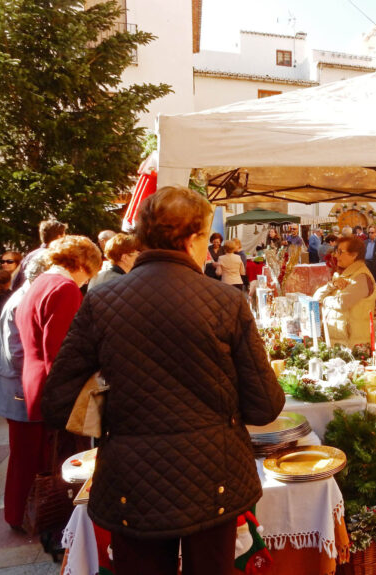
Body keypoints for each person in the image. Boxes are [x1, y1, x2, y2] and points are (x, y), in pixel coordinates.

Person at [42, 186, 285, 575]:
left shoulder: (101, 301)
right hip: (213, 478)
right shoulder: (225, 301)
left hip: (131, 480)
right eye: (205, 237)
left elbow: (56, 400)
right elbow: (265, 406)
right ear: (191, 239)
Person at [14, 235, 101, 538]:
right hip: (54, 386)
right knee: (62, 462)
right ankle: (58, 520)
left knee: (38, 457)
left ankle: (36, 517)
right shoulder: (64, 289)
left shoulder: (41, 282)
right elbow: (63, 352)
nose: (86, 281)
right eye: (88, 272)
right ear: (80, 264)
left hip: (34, 379)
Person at [0, 254, 50, 529]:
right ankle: (17, 515)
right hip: (20, 391)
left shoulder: (23, 295)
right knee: (24, 459)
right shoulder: (25, 298)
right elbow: (20, 353)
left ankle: (21, 513)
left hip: (19, 389)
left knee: (25, 457)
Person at [314, 237, 376, 347]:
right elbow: (315, 298)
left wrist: (326, 300)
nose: (336, 255)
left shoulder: (361, 277)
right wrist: (332, 285)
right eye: (336, 251)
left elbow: (342, 303)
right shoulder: (342, 276)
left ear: (354, 255)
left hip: (354, 348)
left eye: (340, 252)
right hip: (338, 345)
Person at [11, 219, 67, 290]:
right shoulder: (54, 257)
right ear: (59, 237)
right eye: (64, 234)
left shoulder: (30, 255)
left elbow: (15, 284)